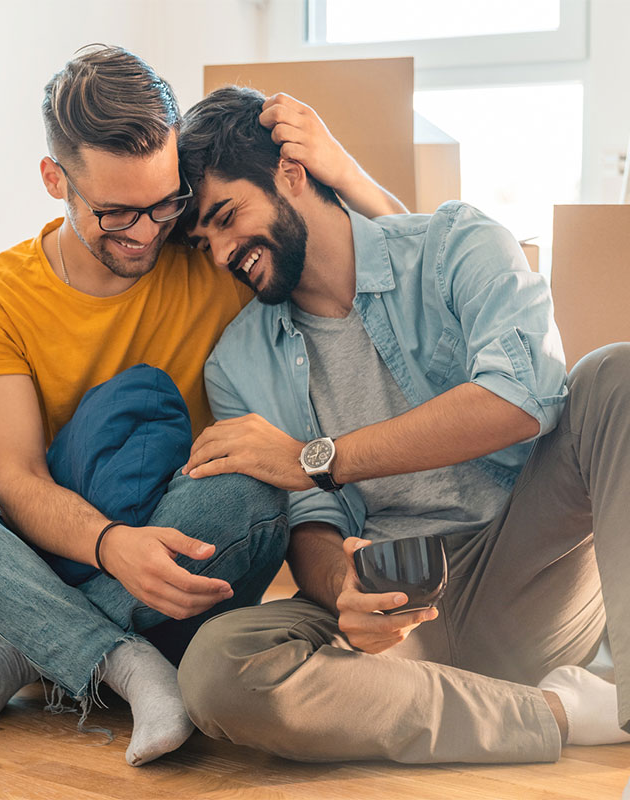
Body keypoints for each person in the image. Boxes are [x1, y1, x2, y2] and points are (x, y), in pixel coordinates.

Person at [0, 46, 403, 767]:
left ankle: (25, 658)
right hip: (64, 554)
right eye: (114, 213)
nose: (145, 232)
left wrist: (345, 172)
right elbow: (16, 484)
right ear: (55, 180)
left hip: (187, 555)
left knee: (248, 491)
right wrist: (113, 545)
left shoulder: (208, 248)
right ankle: (126, 663)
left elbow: (390, 278)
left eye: (162, 202)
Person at [175, 85, 630, 764]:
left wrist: (316, 455)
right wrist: (343, 592)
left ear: (290, 174)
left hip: (524, 570)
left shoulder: (456, 245)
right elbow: (312, 520)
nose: (219, 253)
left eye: (226, 216)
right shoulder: (237, 362)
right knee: (216, 668)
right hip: (393, 615)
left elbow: (523, 396)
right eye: (203, 239)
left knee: (616, 377)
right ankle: (561, 714)